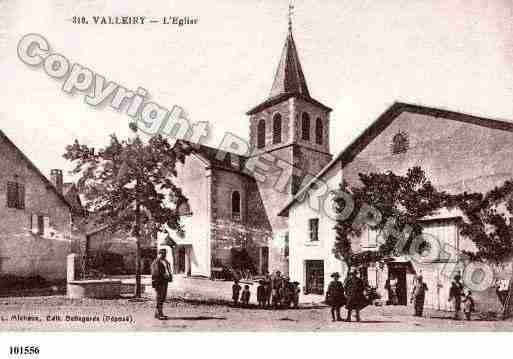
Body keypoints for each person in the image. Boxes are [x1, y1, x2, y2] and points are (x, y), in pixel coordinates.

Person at [151, 248, 173, 320]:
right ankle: (159, 314)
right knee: (160, 297)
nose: (164, 255)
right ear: (159, 253)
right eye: (162, 253)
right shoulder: (156, 262)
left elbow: (168, 269)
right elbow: (155, 273)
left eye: (165, 253)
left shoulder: (165, 261)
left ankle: (158, 313)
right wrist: (163, 275)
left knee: (163, 297)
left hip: (165, 281)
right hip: (159, 281)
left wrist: (169, 276)